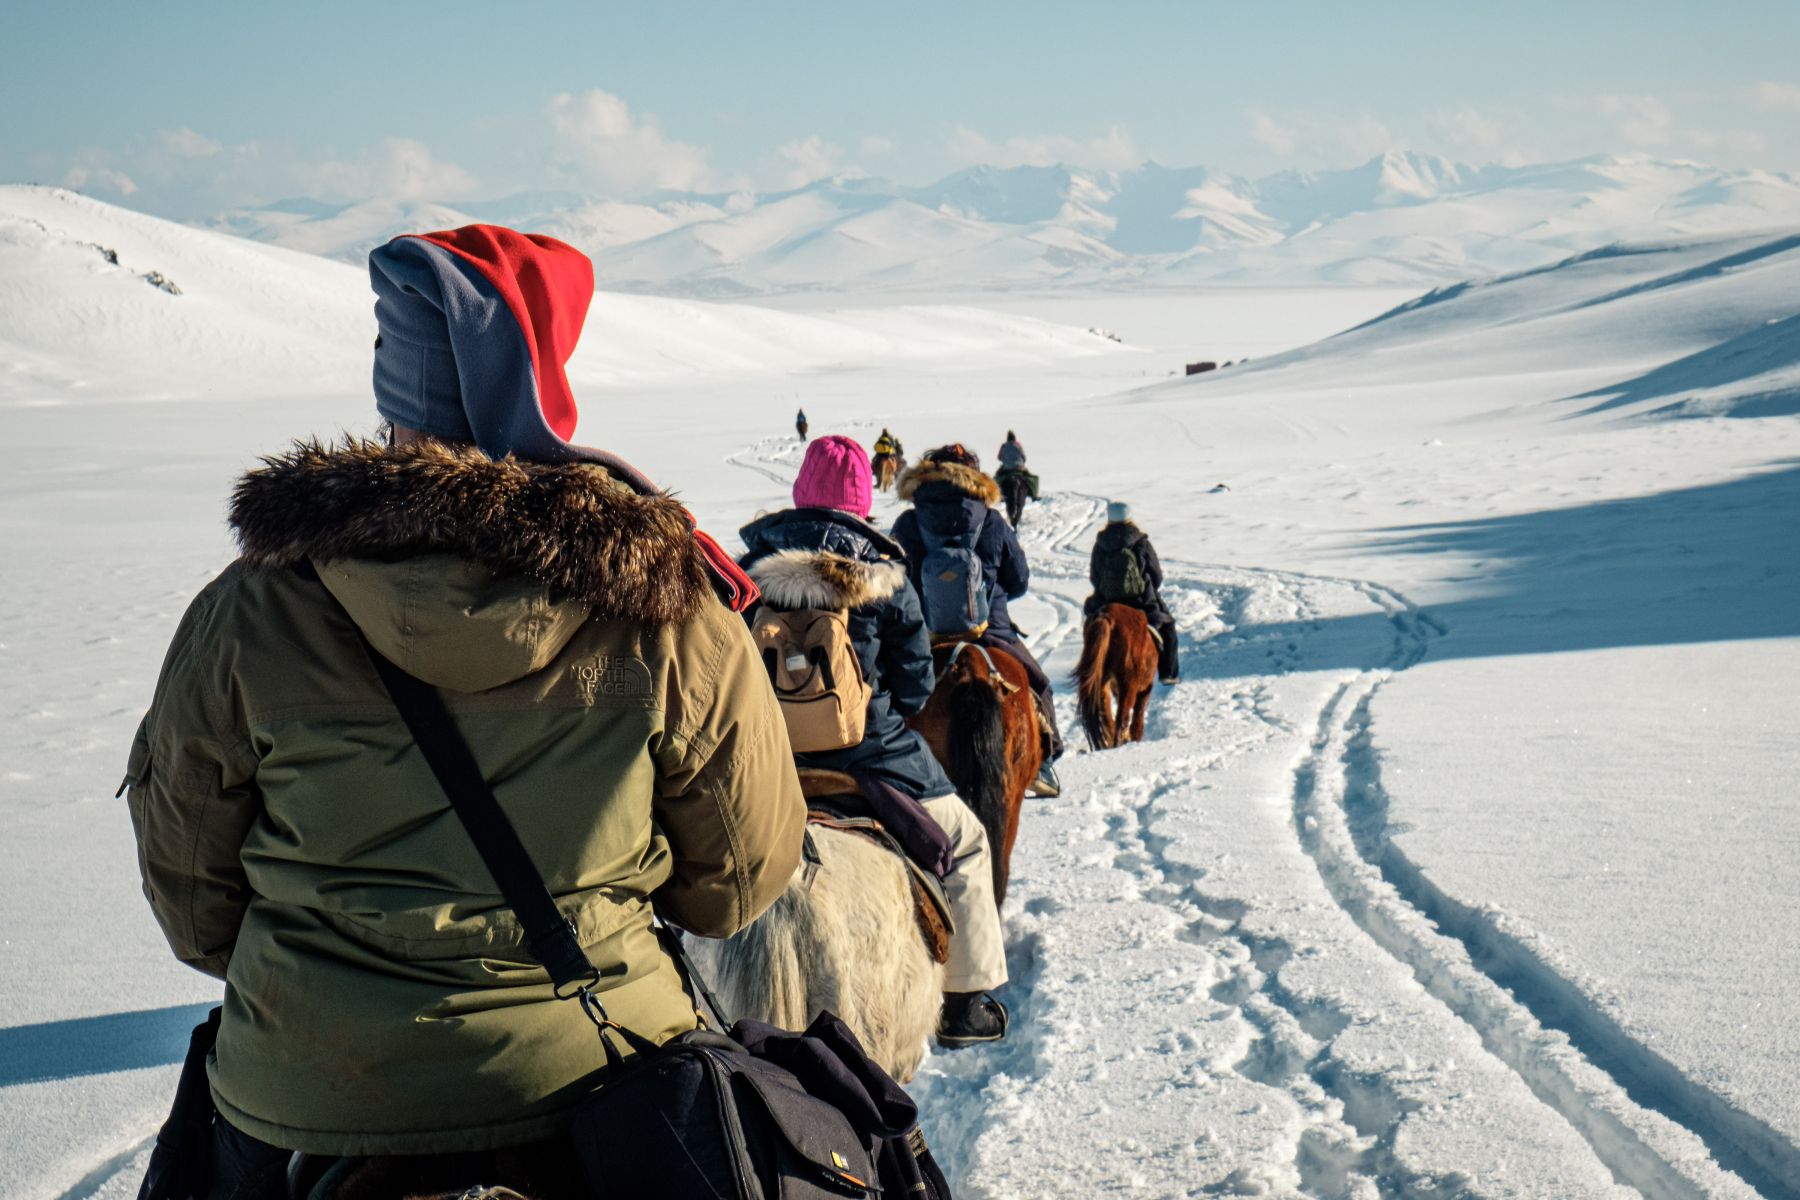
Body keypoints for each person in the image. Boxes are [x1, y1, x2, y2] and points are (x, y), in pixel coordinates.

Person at [123, 225, 806, 1197]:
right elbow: (733, 884)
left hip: (304, 1090)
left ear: (390, 403)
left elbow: (194, 907)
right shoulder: (668, 615)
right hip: (599, 1076)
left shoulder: (250, 613)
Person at [739, 435, 1011, 1046]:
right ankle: (966, 999)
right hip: (873, 760)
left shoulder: (746, 567)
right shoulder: (885, 574)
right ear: (864, 499)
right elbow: (915, 687)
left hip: (768, 757)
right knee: (967, 840)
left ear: (800, 492)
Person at [891, 444, 1065, 796]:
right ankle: (1042, 762)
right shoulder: (992, 520)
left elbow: (894, 582)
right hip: (991, 631)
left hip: (924, 636)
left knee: (888, 693)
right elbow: (1018, 580)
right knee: (1038, 684)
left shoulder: (908, 522)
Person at [1087, 501, 1180, 684]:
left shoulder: (1100, 544)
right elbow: (1156, 576)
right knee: (1168, 627)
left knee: (1092, 628)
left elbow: (1094, 578)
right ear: (1130, 517)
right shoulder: (1141, 542)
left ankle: (1091, 669)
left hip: (1106, 602)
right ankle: (1169, 674)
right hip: (1141, 602)